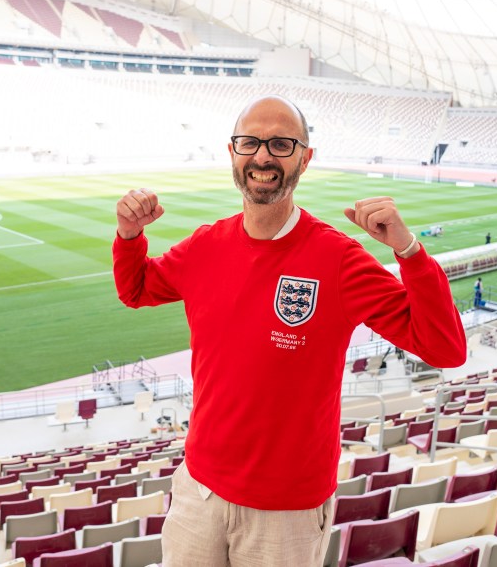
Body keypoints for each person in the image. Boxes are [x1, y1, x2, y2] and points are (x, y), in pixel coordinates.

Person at [112, 95, 467, 566]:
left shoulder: (339, 259)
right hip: (198, 490)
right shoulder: (205, 246)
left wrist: (408, 250)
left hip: (286, 511)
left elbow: (444, 348)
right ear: (233, 152)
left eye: (280, 144)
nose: (262, 157)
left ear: (305, 157)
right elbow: (136, 288)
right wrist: (129, 234)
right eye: (250, 143)